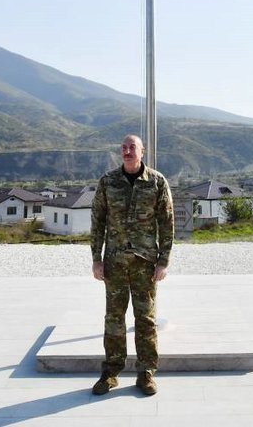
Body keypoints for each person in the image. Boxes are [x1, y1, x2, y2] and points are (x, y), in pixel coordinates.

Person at [90, 133, 174, 396]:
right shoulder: (108, 182)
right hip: (114, 262)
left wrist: (163, 261)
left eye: (132, 147)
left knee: (145, 319)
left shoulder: (157, 182)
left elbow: (167, 223)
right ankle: (111, 372)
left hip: (144, 263)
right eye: (124, 147)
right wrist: (96, 258)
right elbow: (97, 222)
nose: (127, 151)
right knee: (114, 318)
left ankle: (146, 373)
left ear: (142, 151)